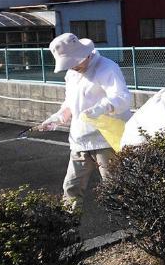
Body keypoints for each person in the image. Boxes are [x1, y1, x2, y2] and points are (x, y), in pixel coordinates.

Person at [40, 33, 131, 210]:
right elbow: (70, 103)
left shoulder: (107, 68)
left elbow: (122, 97)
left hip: (106, 140)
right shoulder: (71, 74)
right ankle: (69, 227)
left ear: (83, 54)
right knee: (71, 187)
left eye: (73, 62)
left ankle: (130, 226)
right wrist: (57, 118)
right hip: (80, 141)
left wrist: (102, 107)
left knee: (116, 187)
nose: (72, 67)